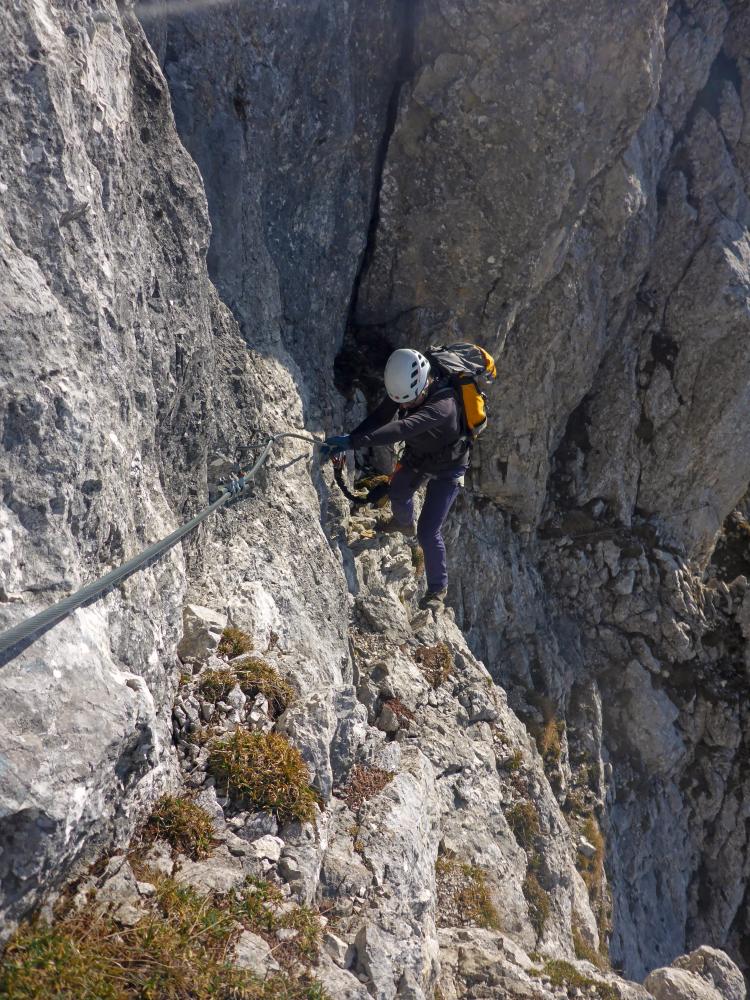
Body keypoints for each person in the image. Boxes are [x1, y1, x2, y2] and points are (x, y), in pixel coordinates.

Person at [322, 348, 470, 611]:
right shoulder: (408, 390)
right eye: (400, 402)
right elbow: (381, 417)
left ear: (424, 385)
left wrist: (353, 442)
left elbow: (401, 428)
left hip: (449, 468)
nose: (403, 407)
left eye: (408, 403)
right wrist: (350, 438)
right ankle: (402, 524)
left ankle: (437, 590)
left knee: (428, 529)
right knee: (398, 492)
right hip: (419, 455)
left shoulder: (442, 407)